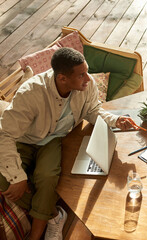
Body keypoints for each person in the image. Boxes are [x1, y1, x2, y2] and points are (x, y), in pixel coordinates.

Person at [0, 47, 137, 240]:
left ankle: (36, 234)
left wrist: (116, 120)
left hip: (53, 140)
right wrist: (18, 177)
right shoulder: (30, 93)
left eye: (86, 71)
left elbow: (93, 110)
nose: (88, 79)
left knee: (46, 177)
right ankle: (55, 215)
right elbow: (4, 134)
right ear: (62, 78)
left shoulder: (86, 86)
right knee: (4, 180)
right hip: (24, 140)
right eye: (81, 75)